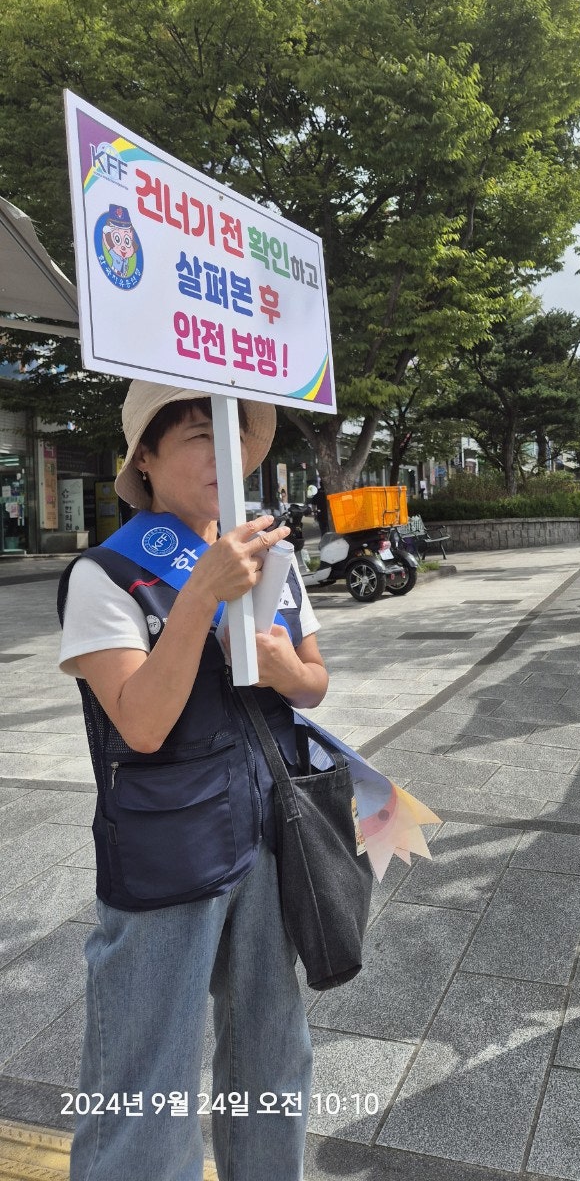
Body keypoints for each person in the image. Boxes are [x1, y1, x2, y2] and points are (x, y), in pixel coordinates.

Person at [58, 381, 328, 1181]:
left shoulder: (270, 558)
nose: (224, 455)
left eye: (233, 435)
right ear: (145, 459)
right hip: (166, 850)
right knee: (144, 1082)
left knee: (273, 1058)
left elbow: (315, 684)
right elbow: (139, 724)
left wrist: (284, 668)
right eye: (194, 438)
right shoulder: (105, 575)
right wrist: (198, 599)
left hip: (269, 837)